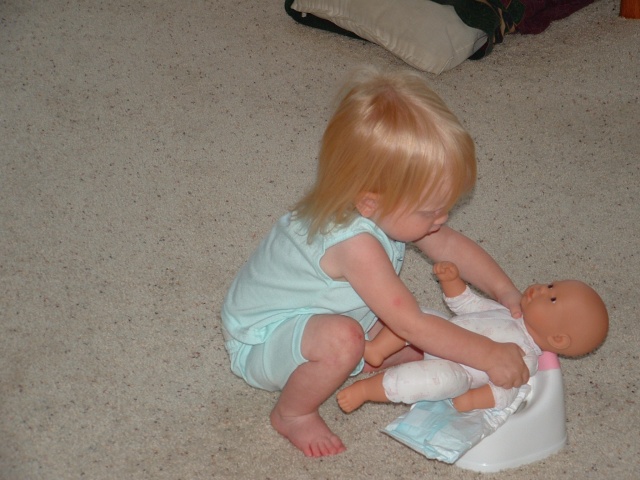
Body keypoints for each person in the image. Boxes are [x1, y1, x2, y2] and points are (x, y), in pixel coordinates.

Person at [221, 67, 530, 458]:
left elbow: (452, 246)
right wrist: (488, 353)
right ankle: (293, 413)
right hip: (261, 339)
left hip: (321, 317)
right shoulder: (355, 246)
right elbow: (410, 322)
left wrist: (505, 292)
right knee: (349, 339)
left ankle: (363, 357)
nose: (443, 220)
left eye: (447, 207)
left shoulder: (387, 210)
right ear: (370, 202)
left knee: (433, 347)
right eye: (432, 211)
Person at [337, 261, 609, 414]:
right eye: (550, 285)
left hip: (456, 369)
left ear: (558, 339)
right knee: (417, 315)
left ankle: (366, 391)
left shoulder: (525, 359)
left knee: (435, 380)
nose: (540, 289)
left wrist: (471, 401)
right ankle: (377, 350)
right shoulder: (509, 312)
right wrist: (452, 281)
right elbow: (467, 305)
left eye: (551, 297)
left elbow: (504, 393)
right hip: (440, 334)